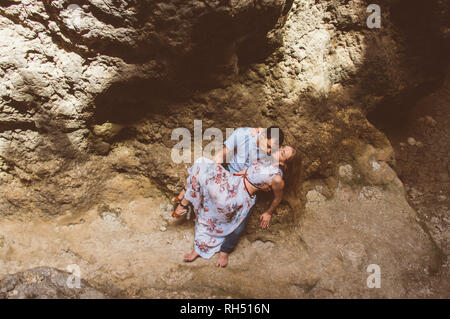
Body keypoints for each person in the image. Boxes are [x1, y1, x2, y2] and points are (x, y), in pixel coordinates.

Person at [172, 145, 296, 266]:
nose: (279, 150)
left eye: (283, 153)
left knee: (221, 209)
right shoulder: (266, 159)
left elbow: (278, 197)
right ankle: (185, 203)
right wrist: (226, 176)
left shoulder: (277, 179)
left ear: (283, 164)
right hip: (235, 181)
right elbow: (247, 171)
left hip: (241, 194)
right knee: (201, 163)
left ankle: (210, 249)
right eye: (282, 148)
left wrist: (268, 212)